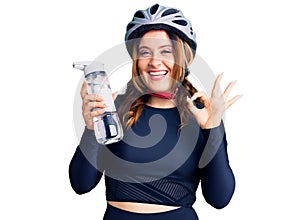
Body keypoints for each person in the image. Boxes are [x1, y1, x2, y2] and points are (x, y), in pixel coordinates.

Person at [69, 4, 241, 220]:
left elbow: (220, 198)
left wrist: (213, 129)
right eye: (144, 52)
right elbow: (81, 184)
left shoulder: (202, 115)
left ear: (183, 57)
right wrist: (91, 128)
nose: (154, 62)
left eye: (166, 51)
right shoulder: (116, 107)